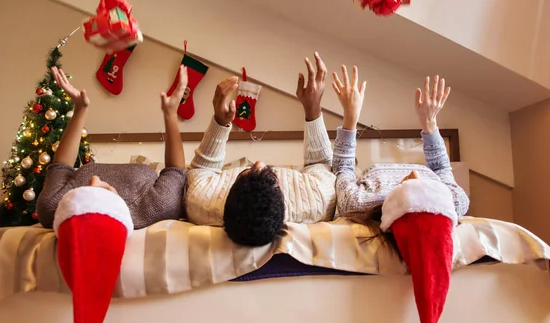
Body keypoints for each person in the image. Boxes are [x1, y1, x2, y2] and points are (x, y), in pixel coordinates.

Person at [185, 52, 336, 246]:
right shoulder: (317, 198)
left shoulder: (202, 201)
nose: (258, 162)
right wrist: (313, 108)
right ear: (283, 197)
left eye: (245, 173)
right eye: (269, 174)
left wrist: (220, 123)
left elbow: (200, 170)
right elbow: (320, 164)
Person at [331, 64, 469, 251]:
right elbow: (441, 168)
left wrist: (350, 118)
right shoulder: (450, 201)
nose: (414, 174)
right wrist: (429, 124)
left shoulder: (360, 204)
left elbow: (343, 170)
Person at [36, 65, 189, 230]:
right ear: (121, 219)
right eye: (100, 209)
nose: (95, 180)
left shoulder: (55, 206)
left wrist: (80, 109)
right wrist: (171, 113)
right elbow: (175, 171)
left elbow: (61, 166)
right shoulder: (155, 208)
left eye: (88, 207)